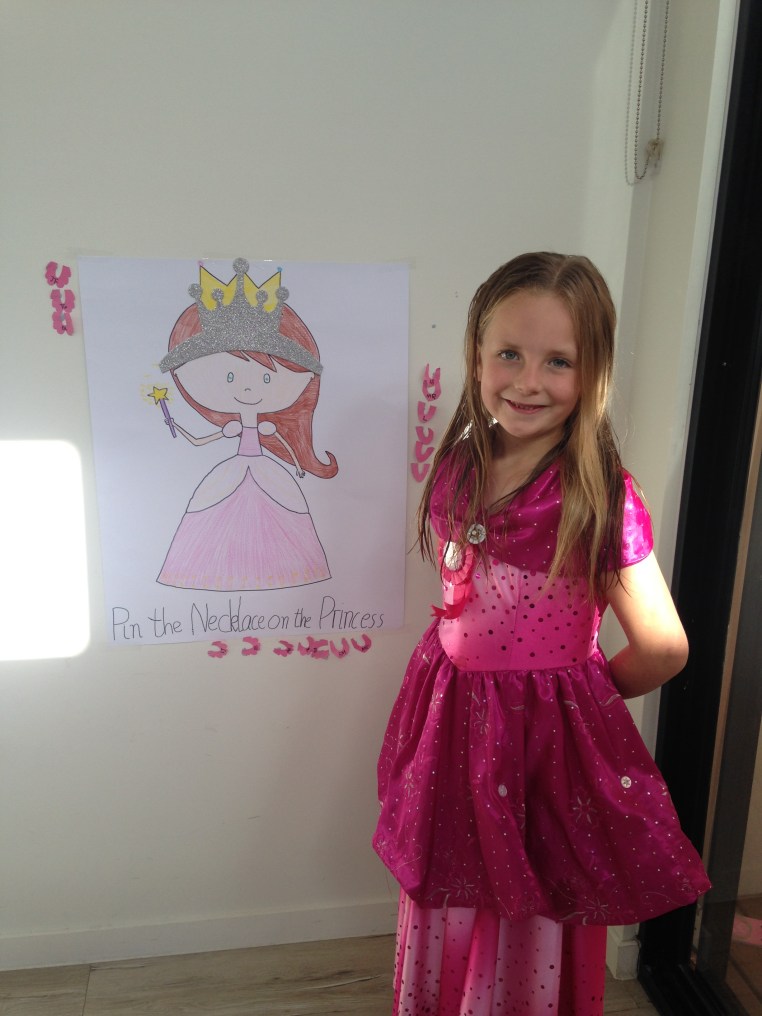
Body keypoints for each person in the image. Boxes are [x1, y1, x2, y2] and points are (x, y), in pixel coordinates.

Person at [373, 252, 710, 1015]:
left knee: (530, 899)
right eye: (509, 355)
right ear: (476, 356)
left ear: (593, 373)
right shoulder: (462, 463)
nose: (528, 381)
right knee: (451, 886)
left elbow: (664, 648)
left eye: (558, 361)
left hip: (539, 748)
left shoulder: (598, 498)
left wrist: (574, 701)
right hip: (451, 727)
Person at [156, 259, 337, 591]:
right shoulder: (234, 428)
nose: (249, 389)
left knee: (281, 510)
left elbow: (285, 445)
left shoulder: (267, 429)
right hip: (235, 470)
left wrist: (298, 463)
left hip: (266, 471)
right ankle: (214, 572)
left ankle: (280, 572)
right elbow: (201, 441)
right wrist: (179, 429)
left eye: (268, 377)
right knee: (216, 507)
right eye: (229, 376)